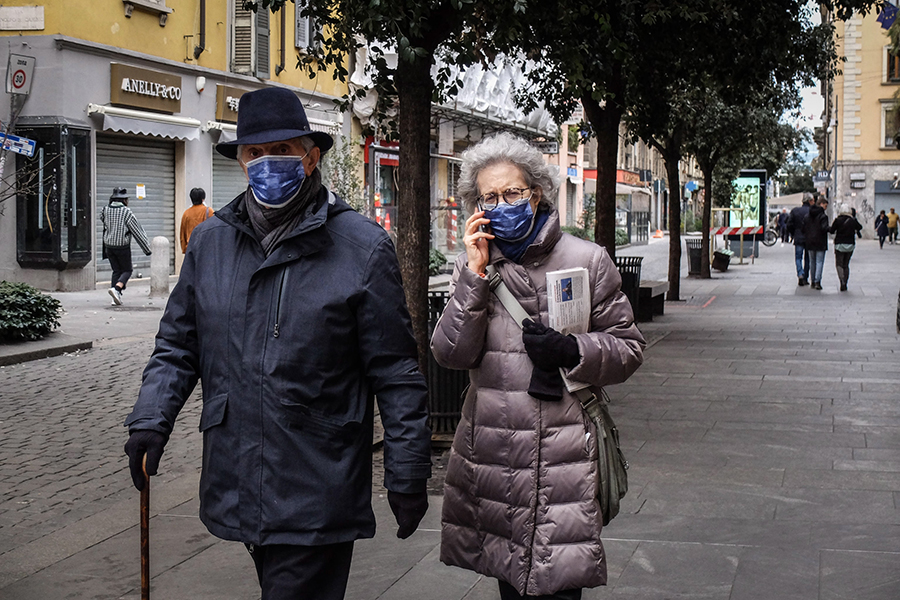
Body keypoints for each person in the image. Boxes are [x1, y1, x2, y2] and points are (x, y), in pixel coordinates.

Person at [123, 87, 432, 600]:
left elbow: (396, 372)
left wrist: (406, 470)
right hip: (240, 475)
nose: (268, 163)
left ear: (311, 158)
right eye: (256, 153)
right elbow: (178, 345)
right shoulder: (212, 242)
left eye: (283, 151)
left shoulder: (360, 247)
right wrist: (151, 419)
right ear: (242, 160)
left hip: (318, 480)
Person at [431, 132, 645, 599]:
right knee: (511, 580)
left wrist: (573, 352)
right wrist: (473, 275)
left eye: (512, 192)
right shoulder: (477, 268)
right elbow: (450, 354)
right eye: (490, 196)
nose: (501, 203)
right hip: (497, 456)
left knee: (561, 579)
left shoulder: (587, 260)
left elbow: (628, 347)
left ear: (537, 193)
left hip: (564, 455)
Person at [100, 187, 152, 305]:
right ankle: (117, 289)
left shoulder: (105, 210)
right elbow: (137, 231)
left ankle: (115, 298)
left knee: (116, 271)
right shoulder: (126, 212)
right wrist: (146, 249)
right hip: (122, 246)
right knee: (127, 270)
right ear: (124, 200)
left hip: (109, 246)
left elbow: (102, 219)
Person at [829, 204, 863, 291]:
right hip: (850, 244)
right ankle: (846, 281)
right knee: (846, 264)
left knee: (839, 264)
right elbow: (860, 227)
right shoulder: (852, 220)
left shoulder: (837, 220)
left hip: (839, 244)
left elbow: (832, 231)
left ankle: (842, 281)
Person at [786, 193, 815, 286]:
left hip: (798, 237)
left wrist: (793, 233)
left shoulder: (795, 211)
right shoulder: (812, 211)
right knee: (808, 258)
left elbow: (789, 224)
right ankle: (805, 277)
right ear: (810, 201)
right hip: (809, 237)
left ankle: (800, 274)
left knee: (798, 257)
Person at [802, 197, 830, 290]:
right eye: (825, 206)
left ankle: (813, 281)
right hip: (820, 241)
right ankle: (818, 281)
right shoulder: (823, 216)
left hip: (809, 241)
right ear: (821, 204)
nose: (825, 208)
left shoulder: (807, 216)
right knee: (819, 261)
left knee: (812, 262)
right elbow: (824, 228)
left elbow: (803, 228)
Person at [179, 187, 213, 253]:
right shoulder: (208, 211)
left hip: (190, 247)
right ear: (203, 199)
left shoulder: (186, 213)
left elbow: (182, 234)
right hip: (205, 247)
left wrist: (184, 249)